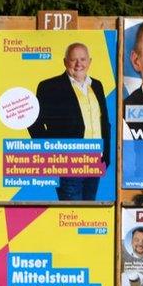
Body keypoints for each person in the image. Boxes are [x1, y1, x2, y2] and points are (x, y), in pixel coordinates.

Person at [27, 42, 111, 201]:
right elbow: (33, 121)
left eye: (83, 59)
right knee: (71, 211)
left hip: (95, 160)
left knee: (88, 209)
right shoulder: (50, 86)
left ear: (90, 61)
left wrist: (106, 157)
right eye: (73, 60)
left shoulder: (97, 85)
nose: (79, 64)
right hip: (68, 162)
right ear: (65, 62)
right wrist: (51, 152)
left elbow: (104, 122)